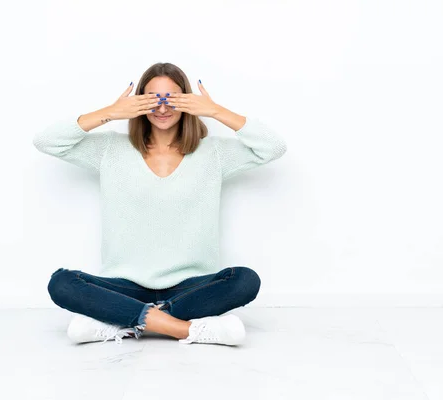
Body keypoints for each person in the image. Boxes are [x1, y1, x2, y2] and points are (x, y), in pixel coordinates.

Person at [32, 62, 287, 346]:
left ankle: (122, 321)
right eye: (153, 98)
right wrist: (109, 113)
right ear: (139, 102)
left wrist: (215, 111)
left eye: (172, 98)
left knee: (244, 280)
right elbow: (46, 141)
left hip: (190, 287)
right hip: (124, 285)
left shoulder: (213, 153)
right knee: (62, 283)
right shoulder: (109, 149)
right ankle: (184, 329)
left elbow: (273, 147)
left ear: (188, 101)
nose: (162, 108)